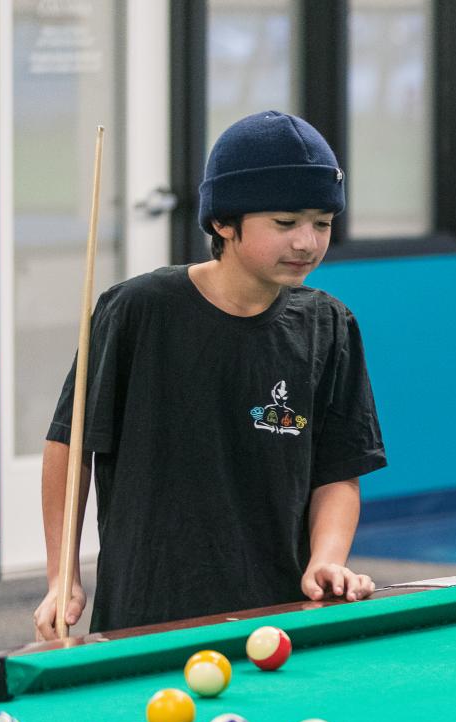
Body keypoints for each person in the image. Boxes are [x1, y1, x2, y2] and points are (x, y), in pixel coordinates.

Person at [34, 111, 387, 639]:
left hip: (278, 614)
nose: (307, 243)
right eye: (285, 223)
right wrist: (62, 577)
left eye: (322, 223)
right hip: (147, 612)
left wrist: (327, 559)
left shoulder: (329, 325)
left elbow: (339, 471)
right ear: (223, 222)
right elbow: (70, 444)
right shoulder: (136, 310)